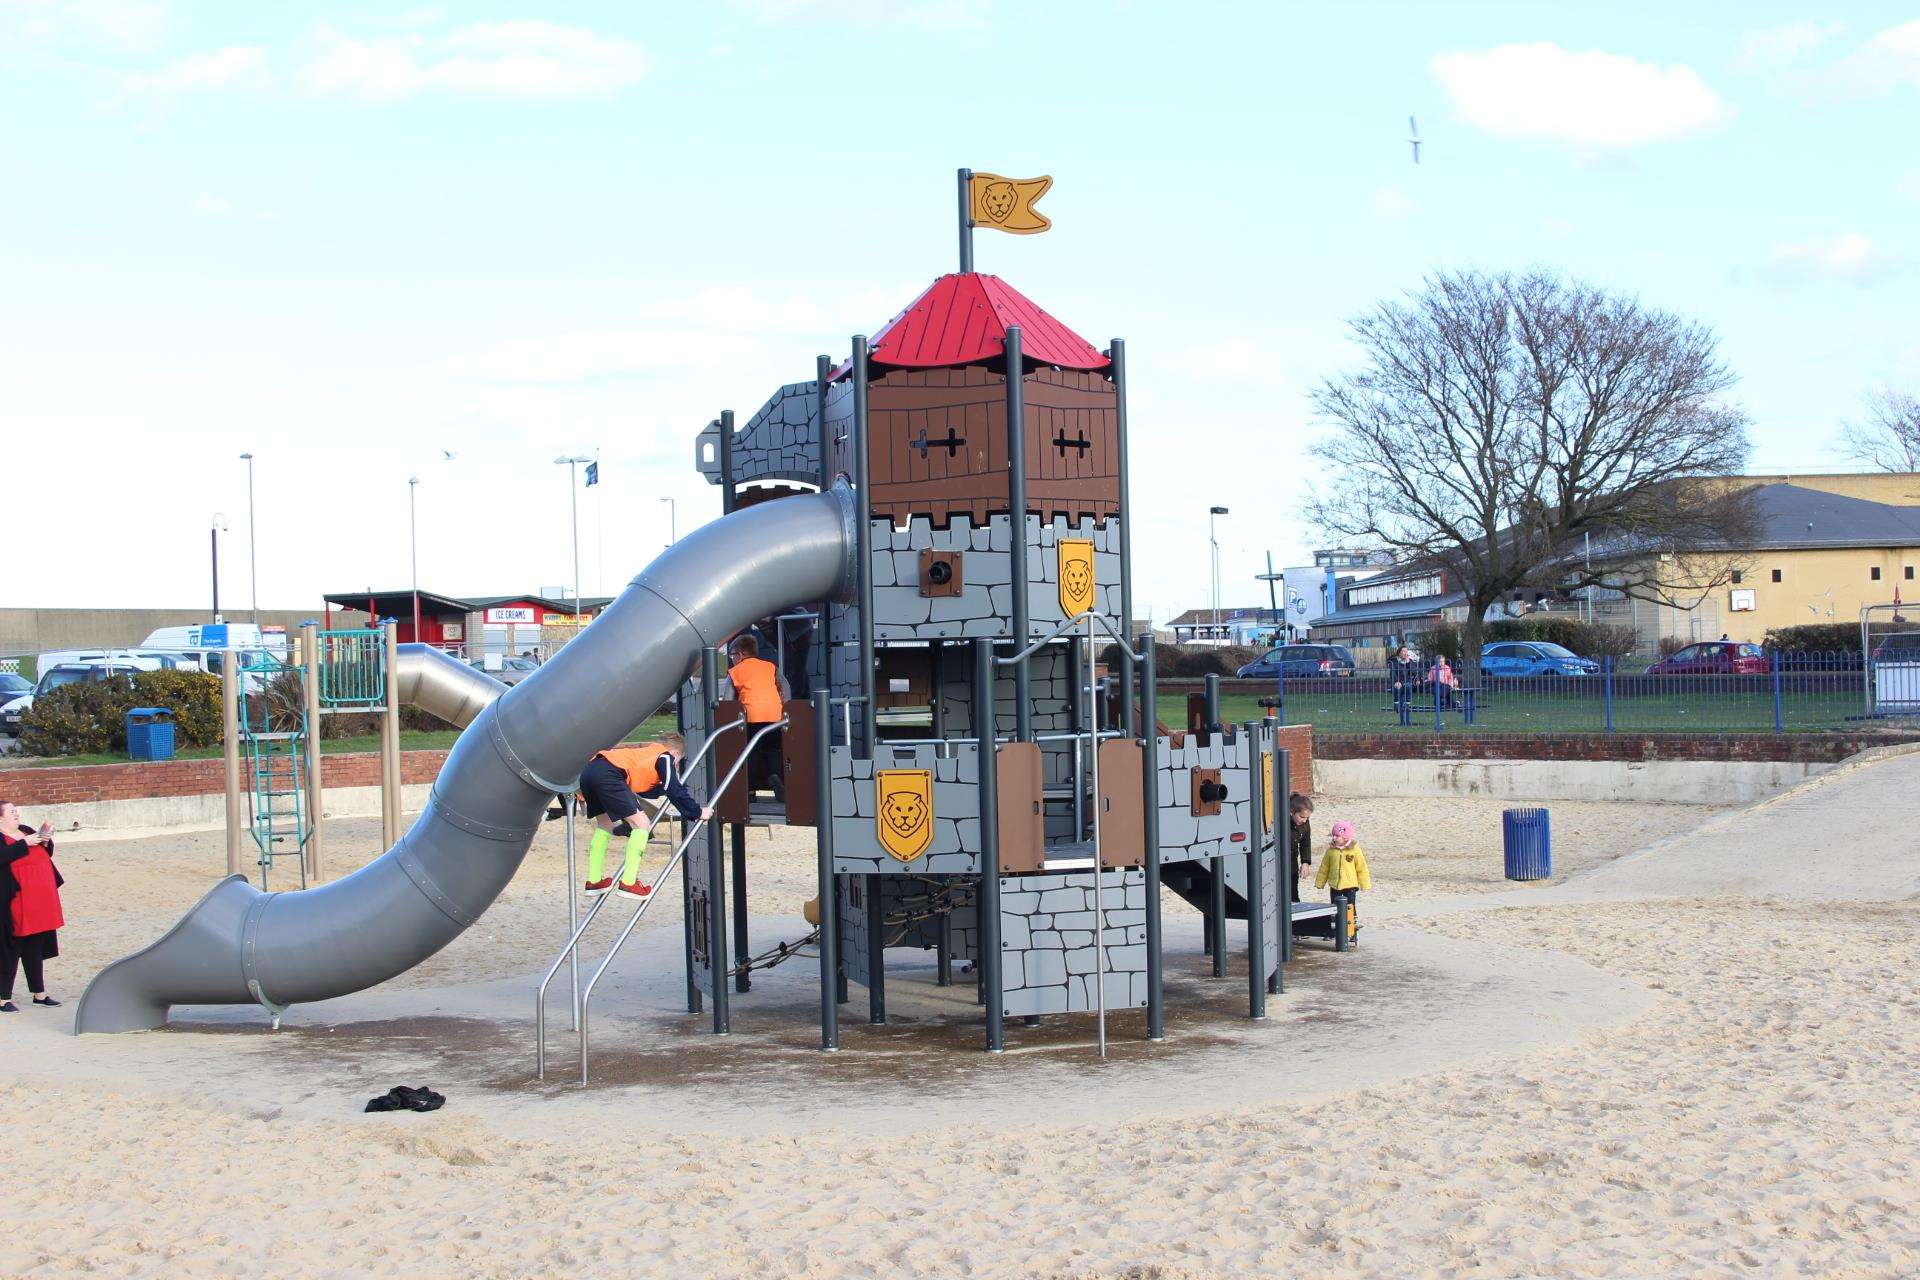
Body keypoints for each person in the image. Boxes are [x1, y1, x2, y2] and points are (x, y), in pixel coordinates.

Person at [578, 735, 711, 899]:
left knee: (604, 826)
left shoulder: (646, 753)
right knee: (642, 825)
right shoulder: (665, 756)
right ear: (676, 753)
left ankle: (594, 880)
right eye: (677, 762)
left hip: (590, 771)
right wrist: (697, 812)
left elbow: (644, 789)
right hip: (609, 774)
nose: (675, 765)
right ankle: (628, 883)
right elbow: (673, 788)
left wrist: (665, 789)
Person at [1, 800, 64, 1013]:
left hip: (41, 899)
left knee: (35, 946)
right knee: (12, 947)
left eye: (16, 810)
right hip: (16, 900)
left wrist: (46, 840)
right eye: (11, 811)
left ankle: (39, 994)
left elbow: (47, 853)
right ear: (0, 817)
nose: (16, 814)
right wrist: (24, 843)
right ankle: (3, 998)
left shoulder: (26, 830)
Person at [724, 633, 790, 799]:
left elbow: (727, 700)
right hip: (775, 716)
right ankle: (776, 776)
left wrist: (725, 715)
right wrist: (785, 708)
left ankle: (750, 790)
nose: (731, 659)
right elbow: (785, 687)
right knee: (773, 750)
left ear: (740, 654)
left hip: (751, 716)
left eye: (732, 655)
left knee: (750, 752)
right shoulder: (770, 666)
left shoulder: (735, 671)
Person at [1314, 819, 1372, 945]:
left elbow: (1361, 867)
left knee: (1350, 909)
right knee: (1334, 909)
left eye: (1337, 836)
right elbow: (1324, 867)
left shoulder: (1354, 850)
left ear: (1346, 837)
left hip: (1350, 885)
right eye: (1333, 835)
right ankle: (1334, 931)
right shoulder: (1331, 851)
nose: (1335, 838)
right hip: (1335, 885)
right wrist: (1320, 882)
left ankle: (1352, 932)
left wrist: (1365, 884)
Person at [1286, 792, 1314, 904]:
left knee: (1293, 887)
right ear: (1291, 812)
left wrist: (1305, 862)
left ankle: (1294, 904)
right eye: (1302, 817)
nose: (1304, 820)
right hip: (1279, 860)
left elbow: (1306, 842)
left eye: (1307, 817)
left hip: (1292, 859)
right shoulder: (1282, 822)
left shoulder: (1305, 824)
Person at [1387, 645, 1421, 721]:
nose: (1405, 653)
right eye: (1403, 651)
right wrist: (1396, 681)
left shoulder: (1410, 661)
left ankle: (1407, 704)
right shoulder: (1394, 662)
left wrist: (1408, 663)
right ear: (1399, 653)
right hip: (1398, 685)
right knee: (1398, 688)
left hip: (1407, 684)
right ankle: (1396, 702)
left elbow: (1415, 672)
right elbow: (1393, 674)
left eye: (1406, 651)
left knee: (1408, 685)